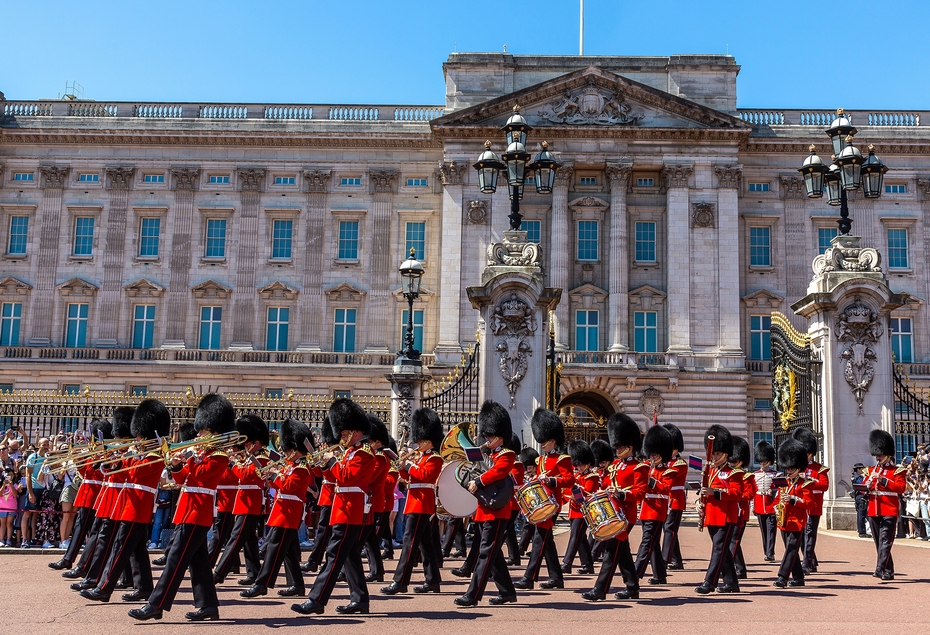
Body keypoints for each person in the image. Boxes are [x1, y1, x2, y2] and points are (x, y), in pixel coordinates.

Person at [292, 398, 376, 616]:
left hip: (350, 510)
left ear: (354, 431)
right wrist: (324, 465)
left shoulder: (364, 453)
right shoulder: (350, 453)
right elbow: (336, 478)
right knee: (349, 557)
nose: (341, 437)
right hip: (342, 508)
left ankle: (316, 599)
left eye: (344, 433)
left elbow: (347, 477)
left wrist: (331, 462)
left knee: (334, 555)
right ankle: (360, 600)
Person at [81, 400, 169, 604]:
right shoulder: (140, 453)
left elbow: (136, 473)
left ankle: (103, 588)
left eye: (139, 434)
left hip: (137, 507)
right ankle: (144, 587)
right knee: (137, 550)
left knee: (119, 548)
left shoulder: (154, 455)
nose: (136, 438)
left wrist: (125, 457)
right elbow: (120, 474)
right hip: (129, 505)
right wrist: (111, 461)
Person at [239, 418, 313, 602]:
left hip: (289, 513)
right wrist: (270, 476)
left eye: (288, 449)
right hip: (281, 511)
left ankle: (261, 584)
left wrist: (273, 475)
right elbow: (279, 485)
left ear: (296, 449)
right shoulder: (291, 466)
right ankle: (297, 584)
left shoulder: (302, 468)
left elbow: (288, 486)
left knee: (274, 549)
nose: (285, 452)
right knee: (288, 551)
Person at [453, 401, 518, 607]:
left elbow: (497, 472)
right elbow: (478, 469)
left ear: (500, 436)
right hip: (484, 509)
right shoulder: (486, 454)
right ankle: (507, 592)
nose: (487, 438)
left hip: (497, 511)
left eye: (490, 435)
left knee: (485, 553)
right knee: (494, 553)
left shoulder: (507, 454)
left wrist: (478, 480)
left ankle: (473, 595)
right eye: (486, 435)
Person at [63, 407, 134, 584]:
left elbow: (114, 473)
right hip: (106, 495)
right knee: (114, 539)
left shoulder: (129, 452)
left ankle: (90, 572)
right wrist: (82, 461)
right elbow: (91, 471)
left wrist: (110, 461)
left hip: (117, 497)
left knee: (110, 538)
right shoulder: (113, 450)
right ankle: (127, 578)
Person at [582, 412, 646, 601]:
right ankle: (632, 587)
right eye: (616, 446)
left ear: (630, 446)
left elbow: (640, 492)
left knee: (611, 551)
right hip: (610, 513)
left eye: (620, 446)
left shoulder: (639, 467)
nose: (617, 450)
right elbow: (604, 486)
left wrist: (621, 493)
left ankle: (600, 590)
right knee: (622, 552)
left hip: (625, 514)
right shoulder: (614, 466)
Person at [380, 407, 444, 596]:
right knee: (426, 544)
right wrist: (402, 465)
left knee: (409, 542)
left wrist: (409, 464)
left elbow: (424, 475)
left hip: (422, 504)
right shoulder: (421, 457)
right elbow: (407, 477)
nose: (417, 443)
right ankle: (433, 580)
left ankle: (400, 581)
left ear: (429, 440)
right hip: (414, 502)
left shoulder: (435, 458)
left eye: (420, 440)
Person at [514, 408, 574, 591]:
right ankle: (556, 578)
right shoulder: (540, 460)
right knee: (546, 542)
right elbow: (538, 479)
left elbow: (570, 480)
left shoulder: (562, 459)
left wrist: (551, 480)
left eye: (544, 441)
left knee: (539, 540)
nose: (541, 444)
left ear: (553, 440)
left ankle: (529, 577)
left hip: (551, 505)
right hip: (539, 503)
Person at [214, 413, 270, 585]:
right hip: (243, 502)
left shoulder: (261, 458)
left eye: (248, 442)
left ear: (256, 442)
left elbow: (245, 476)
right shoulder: (247, 459)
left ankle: (219, 572)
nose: (245, 445)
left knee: (235, 538)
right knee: (248, 540)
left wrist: (232, 463)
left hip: (250, 504)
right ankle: (254, 573)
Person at [49, 418, 111, 571]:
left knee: (88, 530)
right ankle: (72, 560)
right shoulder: (94, 449)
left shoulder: (105, 451)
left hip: (95, 494)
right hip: (86, 492)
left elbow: (100, 473)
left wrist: (89, 461)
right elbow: (85, 473)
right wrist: (78, 462)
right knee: (84, 529)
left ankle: (78, 562)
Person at [694, 424, 741, 595]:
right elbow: (706, 490)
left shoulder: (733, 473)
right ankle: (731, 583)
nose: (714, 456)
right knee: (722, 551)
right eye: (713, 453)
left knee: (718, 549)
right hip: (712, 515)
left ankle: (710, 582)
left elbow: (736, 493)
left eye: (717, 453)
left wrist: (716, 493)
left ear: (725, 454)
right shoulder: (710, 471)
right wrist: (701, 500)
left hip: (726, 516)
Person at [864, 429, 907, 581]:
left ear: (888, 454)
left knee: (885, 541)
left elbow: (901, 488)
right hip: (874, 509)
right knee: (879, 542)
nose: (878, 457)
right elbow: (863, 487)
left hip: (889, 508)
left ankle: (880, 568)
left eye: (880, 454)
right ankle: (889, 571)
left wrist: (884, 481)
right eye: (877, 454)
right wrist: (867, 484)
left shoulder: (897, 471)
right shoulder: (870, 470)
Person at [634, 424, 674, 585]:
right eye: (651, 453)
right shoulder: (647, 469)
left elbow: (666, 489)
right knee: (653, 544)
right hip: (645, 510)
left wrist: (650, 481)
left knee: (647, 542)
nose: (652, 456)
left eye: (655, 454)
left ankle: (635, 573)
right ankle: (660, 575)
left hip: (657, 511)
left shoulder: (668, 471)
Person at [773, 438, 814, 588]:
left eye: (791, 468)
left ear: (798, 467)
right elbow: (776, 499)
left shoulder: (806, 484)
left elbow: (809, 503)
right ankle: (798, 578)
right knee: (792, 550)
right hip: (784, 520)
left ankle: (782, 577)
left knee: (791, 548)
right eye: (787, 468)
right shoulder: (783, 482)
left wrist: (793, 499)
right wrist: (776, 507)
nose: (789, 470)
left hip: (797, 522)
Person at [793, 427, 829, 574]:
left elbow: (824, 486)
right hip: (800, 505)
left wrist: (809, 480)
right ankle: (812, 561)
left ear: (811, 453)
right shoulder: (796, 468)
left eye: (807, 453)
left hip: (813, 506)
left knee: (809, 534)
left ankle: (806, 563)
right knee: (801, 535)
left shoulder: (820, 469)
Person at [361, 414, 391, 583]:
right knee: (370, 539)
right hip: (370, 500)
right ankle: (376, 570)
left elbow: (369, 477)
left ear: (377, 441)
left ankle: (373, 570)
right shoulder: (376, 455)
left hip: (373, 501)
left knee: (365, 538)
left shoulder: (379, 457)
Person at [561, 440, 597, 575]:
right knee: (581, 539)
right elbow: (565, 493)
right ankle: (588, 565)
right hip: (573, 511)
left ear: (588, 463)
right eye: (577, 464)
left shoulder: (592, 477)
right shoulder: (575, 476)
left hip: (583, 512)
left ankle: (567, 563)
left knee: (575, 537)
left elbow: (586, 495)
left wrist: (574, 490)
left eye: (581, 464)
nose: (578, 467)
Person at [659, 423, 687, 570]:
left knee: (669, 530)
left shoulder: (680, 463)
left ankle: (665, 560)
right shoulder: (665, 462)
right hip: (665, 499)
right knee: (668, 530)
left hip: (675, 500)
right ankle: (677, 561)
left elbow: (666, 475)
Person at [727, 436, 755, 580]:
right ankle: (741, 569)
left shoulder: (746, 476)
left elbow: (750, 494)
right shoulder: (729, 475)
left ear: (741, 461)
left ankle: (728, 567)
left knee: (734, 541)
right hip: (730, 512)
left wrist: (737, 496)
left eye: (734, 461)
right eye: (730, 461)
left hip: (741, 513)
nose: (732, 464)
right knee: (732, 541)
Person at [753, 441, 778, 560]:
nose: (763, 464)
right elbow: (753, 491)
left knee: (771, 529)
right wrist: (753, 506)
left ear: (769, 461)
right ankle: (766, 551)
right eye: (761, 461)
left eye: (765, 461)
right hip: (759, 504)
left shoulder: (776, 475)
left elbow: (779, 490)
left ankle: (770, 553)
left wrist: (772, 492)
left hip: (771, 505)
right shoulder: (755, 475)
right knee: (763, 530)